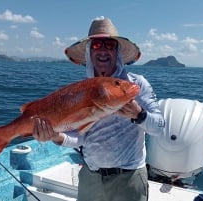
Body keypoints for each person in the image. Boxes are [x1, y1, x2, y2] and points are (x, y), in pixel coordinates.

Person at [32, 16, 165, 201]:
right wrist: (56, 136)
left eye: (109, 45)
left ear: (117, 52)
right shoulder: (83, 90)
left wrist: (139, 114)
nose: (103, 50)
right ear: (89, 53)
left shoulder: (136, 85)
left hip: (129, 179)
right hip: (90, 178)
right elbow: (80, 138)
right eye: (96, 45)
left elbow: (160, 128)